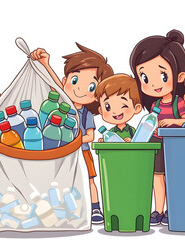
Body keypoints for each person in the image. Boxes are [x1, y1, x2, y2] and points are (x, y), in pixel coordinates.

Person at [30, 43, 113, 224]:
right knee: (60, 182)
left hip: (81, 151)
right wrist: (46, 64)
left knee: (89, 179)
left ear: (98, 95)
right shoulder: (61, 107)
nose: (80, 90)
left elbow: (90, 136)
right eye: (74, 81)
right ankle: (60, 209)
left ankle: (95, 207)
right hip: (61, 153)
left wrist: (71, 141)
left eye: (91, 87)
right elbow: (54, 84)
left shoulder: (86, 114)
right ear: (65, 81)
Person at [130, 30, 185, 226]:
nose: (154, 83)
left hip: (175, 144)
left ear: (179, 75)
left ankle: (173, 210)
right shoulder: (155, 105)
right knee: (157, 178)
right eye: (145, 78)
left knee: (175, 178)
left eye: (162, 75)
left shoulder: (179, 102)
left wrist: (173, 123)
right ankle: (158, 210)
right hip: (156, 143)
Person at [95, 74, 143, 142]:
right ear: (101, 111)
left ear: (136, 108)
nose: (115, 111)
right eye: (108, 107)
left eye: (123, 105)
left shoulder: (131, 131)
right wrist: (103, 141)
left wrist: (131, 141)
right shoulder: (111, 132)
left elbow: (138, 141)